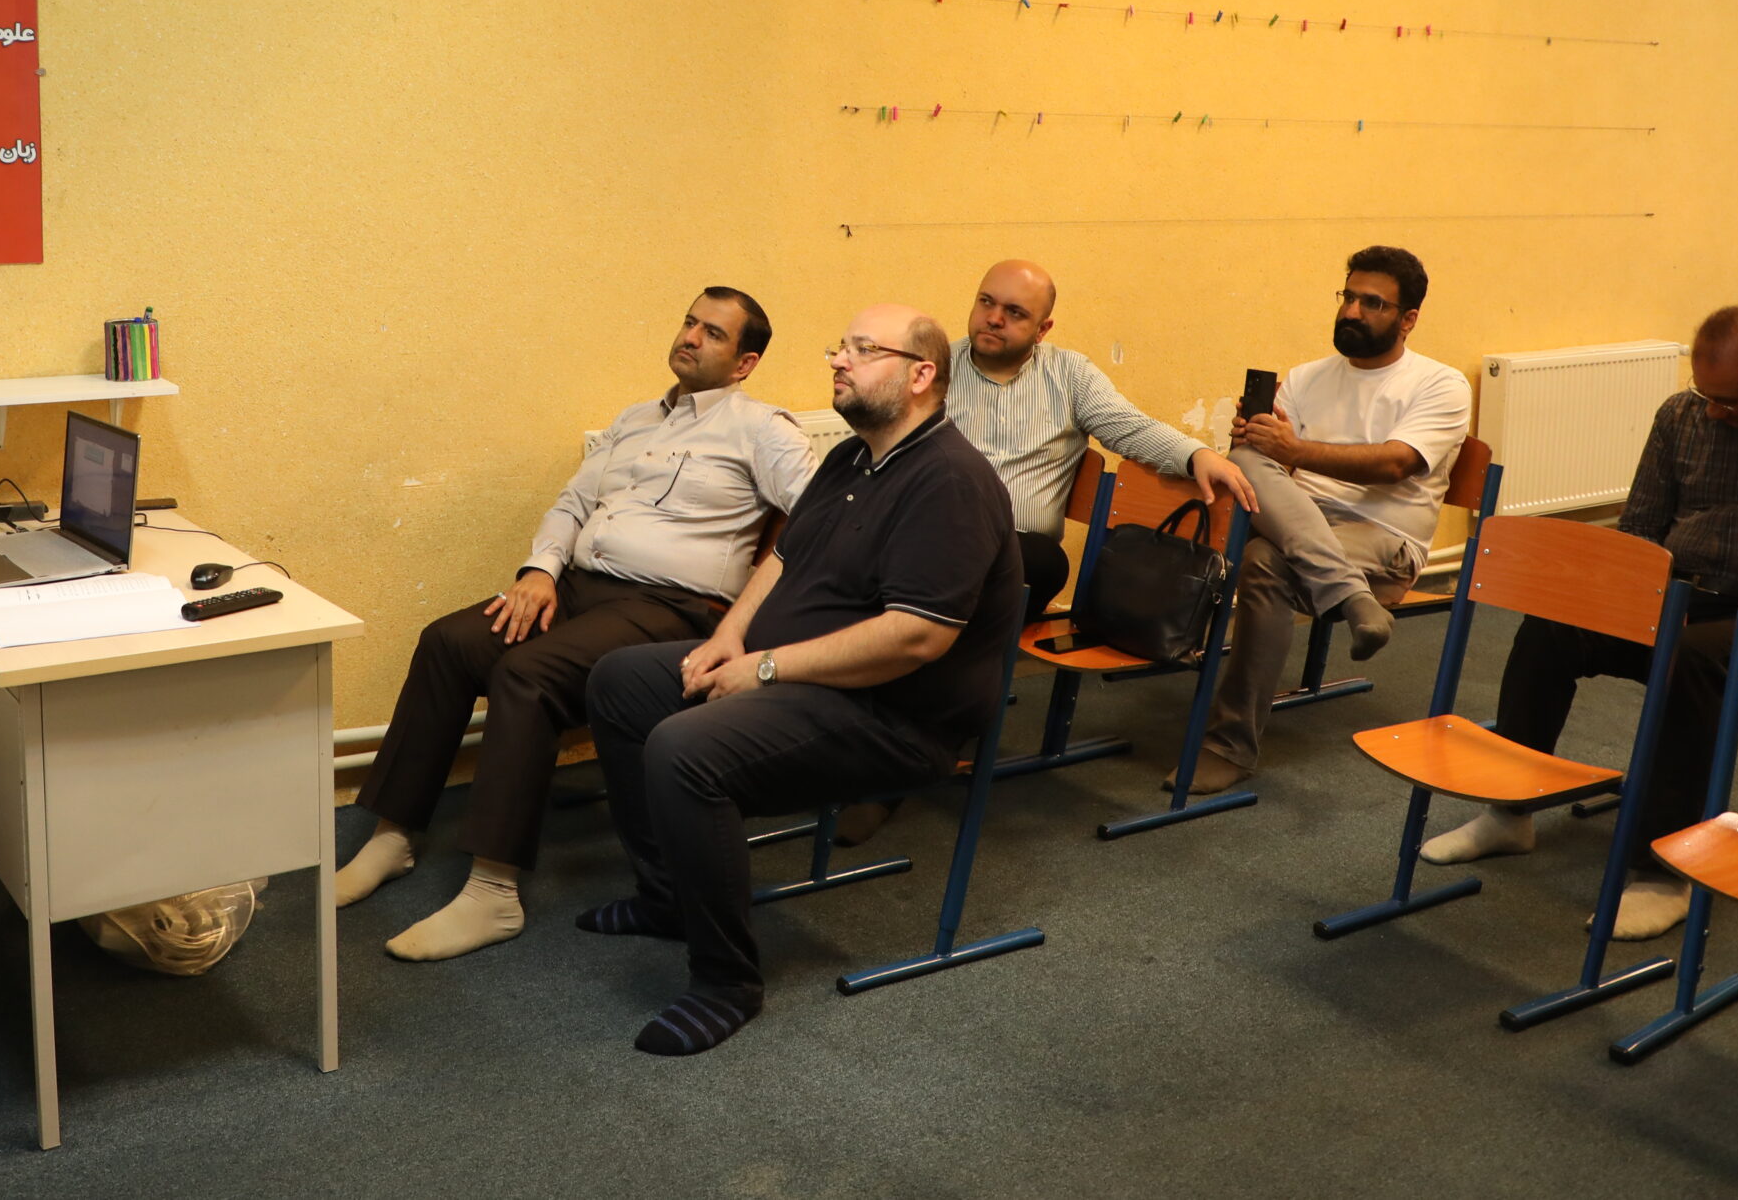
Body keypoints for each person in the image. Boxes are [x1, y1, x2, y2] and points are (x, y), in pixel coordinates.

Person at [577, 304, 1021, 1056]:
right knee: (620, 682)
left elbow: (916, 636)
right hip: (800, 676)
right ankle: (668, 899)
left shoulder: (950, 481)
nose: (838, 360)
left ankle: (726, 982)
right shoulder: (852, 457)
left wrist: (764, 667)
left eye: (862, 349)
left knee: (685, 750)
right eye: (839, 347)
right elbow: (784, 558)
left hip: (892, 716)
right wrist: (727, 637)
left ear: (920, 375)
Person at [338, 288, 817, 961]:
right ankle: (394, 835)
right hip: (577, 586)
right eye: (689, 321)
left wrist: (751, 619)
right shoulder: (634, 419)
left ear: (745, 363)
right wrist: (538, 570)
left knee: (527, 673)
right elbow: (572, 502)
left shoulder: (763, 429)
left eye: (713, 332)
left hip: (669, 607)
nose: (690, 336)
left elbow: (821, 513)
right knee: (448, 642)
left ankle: (493, 891)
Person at [1421, 309, 1738, 940]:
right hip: (1685, 598)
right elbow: (1642, 527)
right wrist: (1619, 598)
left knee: (1691, 657)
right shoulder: (1683, 415)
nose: (1713, 412)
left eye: (1731, 401)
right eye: (1706, 394)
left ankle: (1662, 872)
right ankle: (1511, 811)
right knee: (1554, 626)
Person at [1193, 247, 1472, 795]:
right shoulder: (1305, 378)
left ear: (1408, 319)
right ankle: (1351, 598)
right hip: (1305, 522)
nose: (1351, 311)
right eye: (1348, 297)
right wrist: (1256, 439)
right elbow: (1269, 467)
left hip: (1386, 538)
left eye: (1373, 303)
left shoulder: (1440, 384)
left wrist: (1294, 450)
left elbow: (1395, 465)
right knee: (1244, 456)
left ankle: (1229, 745)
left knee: (1263, 562)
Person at [946, 257, 1255, 612]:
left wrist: (1196, 454)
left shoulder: (1069, 375)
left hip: (1019, 555)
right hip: (938, 535)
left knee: (1045, 562)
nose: (994, 318)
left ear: (1042, 330)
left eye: (1014, 313)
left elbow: (1130, 427)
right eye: (986, 302)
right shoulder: (933, 370)